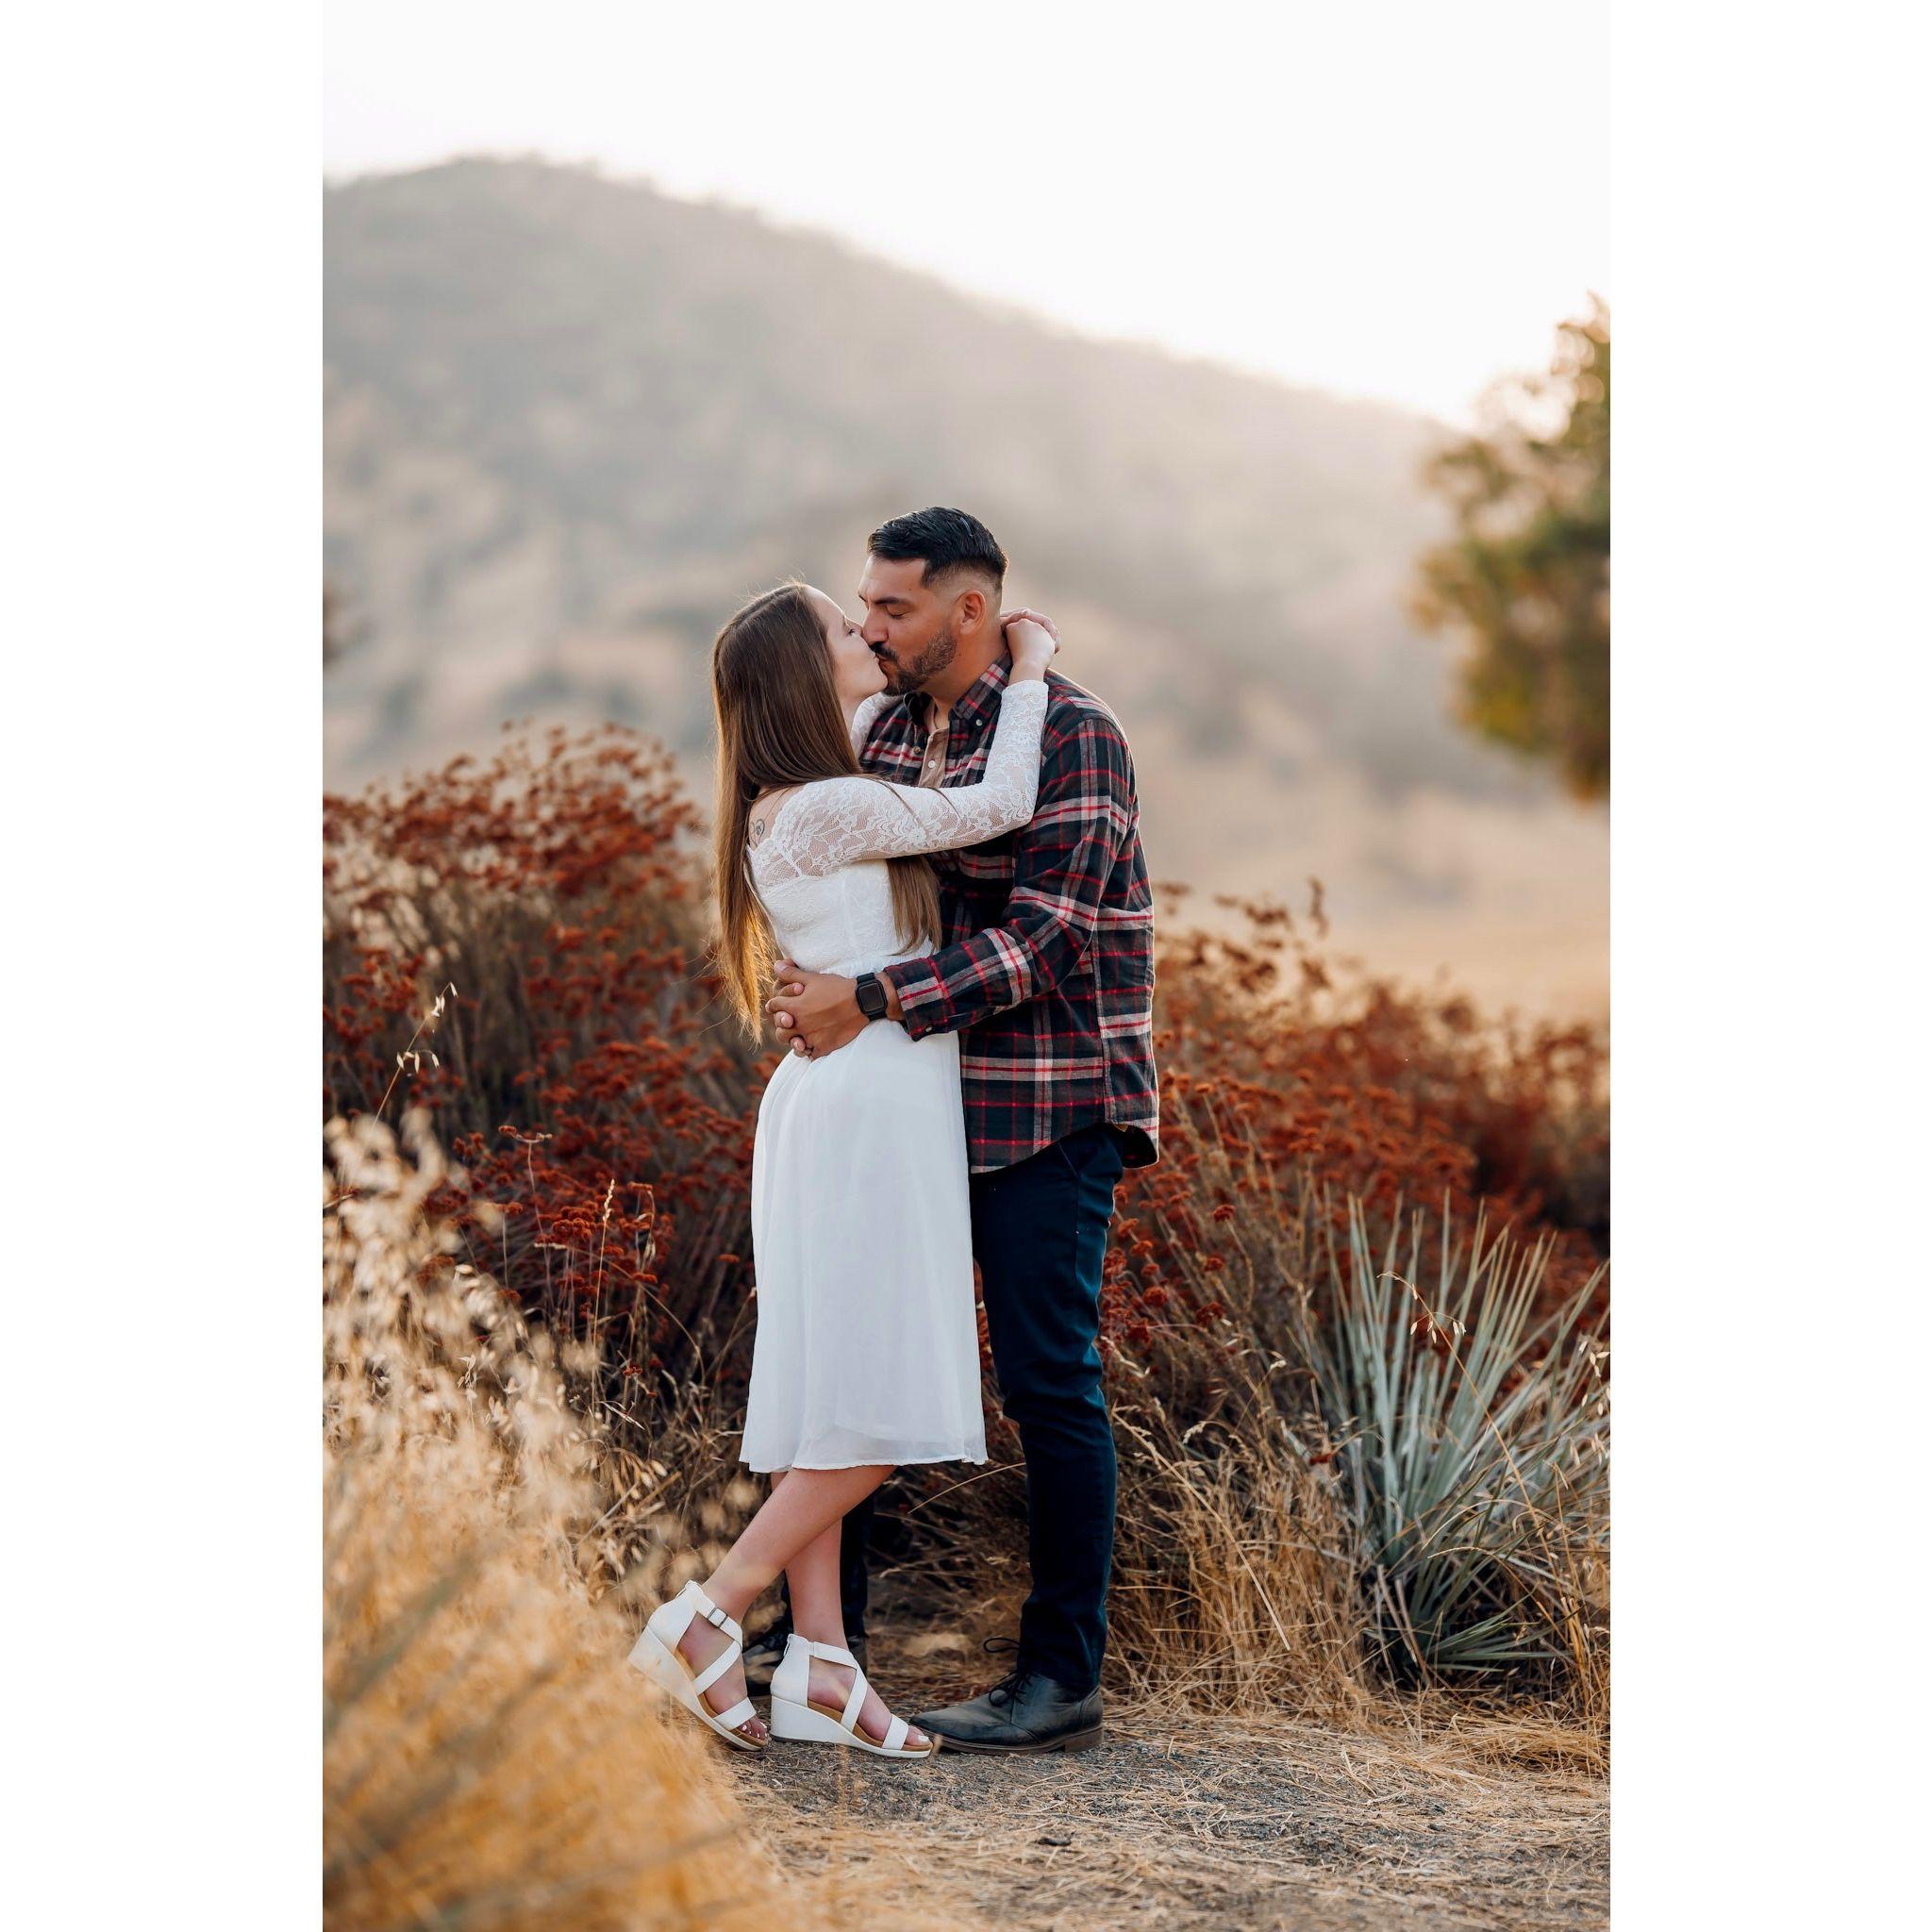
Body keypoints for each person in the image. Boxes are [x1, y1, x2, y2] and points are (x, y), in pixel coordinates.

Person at [628, 570, 1059, 1759]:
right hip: (871, 1103)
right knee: (880, 1398)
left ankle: (820, 1667)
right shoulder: (827, 806)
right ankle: (708, 1614)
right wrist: (1028, 665)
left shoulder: (790, 801)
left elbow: (876, 718)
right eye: (839, 625)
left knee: (828, 1389)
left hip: (835, 1099)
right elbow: (1002, 800)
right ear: (799, 676)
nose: (863, 632)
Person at [769, 507, 1159, 1754]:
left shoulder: (1077, 734)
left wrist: (870, 997)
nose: (873, 628)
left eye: (894, 607)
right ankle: (821, 1654)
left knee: (1048, 1377)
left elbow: (1046, 940)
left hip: (1049, 1099)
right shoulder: (880, 732)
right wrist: (824, 978)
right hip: (909, 1104)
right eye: (864, 608)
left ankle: (1059, 1677)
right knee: (847, 1355)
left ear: (970, 610)